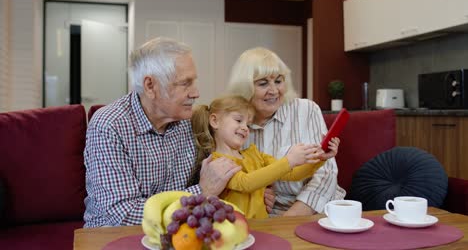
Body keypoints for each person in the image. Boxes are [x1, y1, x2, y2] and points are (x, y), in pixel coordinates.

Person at [83, 37, 241, 228]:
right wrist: (201, 192)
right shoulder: (109, 125)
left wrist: (249, 190)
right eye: (185, 83)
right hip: (117, 236)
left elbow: (215, 172)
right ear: (150, 86)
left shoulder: (188, 121)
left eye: (194, 82)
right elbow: (124, 214)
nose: (196, 93)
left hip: (177, 230)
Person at [227, 47, 345, 216]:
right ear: (244, 87)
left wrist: (289, 219)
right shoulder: (234, 124)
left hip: (315, 209)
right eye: (263, 83)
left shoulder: (306, 110)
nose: (274, 91)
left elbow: (325, 174)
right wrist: (257, 195)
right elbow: (237, 182)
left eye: (278, 81)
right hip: (262, 215)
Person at [189, 95, 332, 219]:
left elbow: (292, 174)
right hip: (234, 230)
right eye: (239, 120)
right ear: (215, 121)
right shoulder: (216, 163)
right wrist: (289, 160)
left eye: (248, 124)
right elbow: (246, 183)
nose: (245, 127)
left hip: (262, 227)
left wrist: (319, 159)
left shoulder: (255, 154)